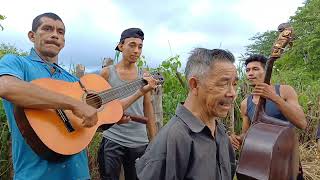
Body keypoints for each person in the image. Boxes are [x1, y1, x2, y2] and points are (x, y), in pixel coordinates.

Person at [0, 13, 157, 180]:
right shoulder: (17, 63)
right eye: (47, 29)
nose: (55, 34)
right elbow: (6, 87)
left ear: (64, 42)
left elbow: (83, 120)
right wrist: (74, 104)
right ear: (32, 36)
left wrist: (107, 117)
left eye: (60, 32)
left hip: (79, 173)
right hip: (35, 174)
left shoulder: (74, 81)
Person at [136, 48, 238, 180]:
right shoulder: (174, 139)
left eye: (234, 84)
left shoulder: (220, 132)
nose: (232, 93)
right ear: (194, 85)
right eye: (223, 83)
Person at [98, 28, 158, 180]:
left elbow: (148, 107)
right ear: (120, 46)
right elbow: (99, 106)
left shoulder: (143, 75)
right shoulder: (107, 73)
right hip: (113, 137)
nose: (136, 50)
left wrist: (154, 141)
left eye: (140, 47)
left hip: (139, 140)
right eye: (132, 45)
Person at [229, 54, 307, 150]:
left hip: (285, 155)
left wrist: (274, 97)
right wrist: (237, 139)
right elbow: (248, 134)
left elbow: (302, 123)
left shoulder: (285, 91)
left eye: (255, 69)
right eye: (247, 70)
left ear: (266, 71)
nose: (250, 73)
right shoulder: (245, 103)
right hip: (263, 156)